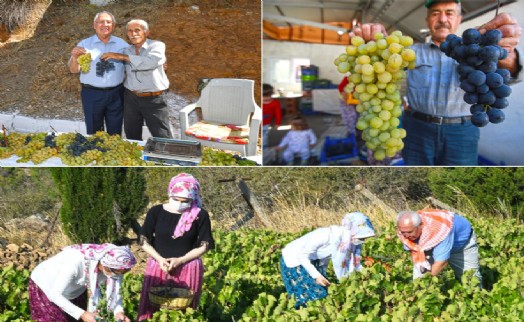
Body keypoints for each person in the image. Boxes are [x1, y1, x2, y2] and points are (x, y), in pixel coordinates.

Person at [352, 0, 523, 165]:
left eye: (449, 13)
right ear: (427, 20)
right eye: (435, 13)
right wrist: (379, 41)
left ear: (459, 19)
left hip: (462, 132)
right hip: (416, 129)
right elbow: (386, 64)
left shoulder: (476, 52)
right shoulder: (409, 52)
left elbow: (512, 76)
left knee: (457, 182)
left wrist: (508, 57)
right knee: (416, 178)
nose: (442, 19)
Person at [138, 173, 214, 321]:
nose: (179, 203)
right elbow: (143, 240)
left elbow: (205, 244)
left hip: (188, 267)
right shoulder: (156, 212)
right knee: (153, 308)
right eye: (176, 199)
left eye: (185, 201)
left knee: (183, 309)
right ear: (169, 194)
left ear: (192, 198)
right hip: (159, 266)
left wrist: (181, 260)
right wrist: (160, 259)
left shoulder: (200, 215)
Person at [280, 212, 375, 308]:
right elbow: (302, 255)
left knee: (322, 290)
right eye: (362, 237)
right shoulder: (324, 235)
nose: (362, 241)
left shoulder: (345, 242)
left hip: (313, 260)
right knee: (312, 295)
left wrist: (322, 274)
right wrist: (317, 275)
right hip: (295, 259)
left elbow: (327, 258)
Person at [100, 19, 172, 141]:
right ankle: (136, 158)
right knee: (131, 134)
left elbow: (151, 62)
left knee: (162, 135)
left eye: (137, 30)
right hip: (131, 98)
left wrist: (123, 57)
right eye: (130, 31)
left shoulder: (156, 46)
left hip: (154, 99)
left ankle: (166, 159)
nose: (133, 34)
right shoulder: (127, 50)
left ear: (146, 32)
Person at [29, 243, 136, 322]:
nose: (119, 275)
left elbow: (115, 292)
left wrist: (119, 312)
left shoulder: (118, 268)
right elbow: (54, 294)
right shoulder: (75, 262)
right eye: (118, 272)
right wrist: (82, 313)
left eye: (124, 272)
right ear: (104, 265)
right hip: (47, 286)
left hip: (76, 289)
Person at [68, 11, 128, 136]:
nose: (105, 24)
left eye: (108, 22)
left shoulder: (122, 44)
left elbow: (134, 62)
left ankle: (112, 154)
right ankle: (95, 154)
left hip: (116, 94)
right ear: (94, 25)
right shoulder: (84, 44)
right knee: (94, 131)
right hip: (92, 94)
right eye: (101, 22)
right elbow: (73, 70)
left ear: (114, 25)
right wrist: (74, 58)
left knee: (115, 131)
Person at [396, 209, 482, 284]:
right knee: (419, 277)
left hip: (461, 245)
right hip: (429, 245)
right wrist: (419, 280)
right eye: (403, 232)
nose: (406, 235)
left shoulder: (440, 231)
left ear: (421, 226)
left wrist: (426, 281)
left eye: (410, 232)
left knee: (470, 279)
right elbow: (415, 253)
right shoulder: (406, 230)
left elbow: (441, 262)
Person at [262, 83, 282, 148]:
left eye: (269, 96)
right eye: (264, 96)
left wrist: (277, 123)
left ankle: (264, 148)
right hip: (256, 123)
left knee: (264, 137)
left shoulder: (275, 103)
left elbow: (278, 114)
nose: (267, 98)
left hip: (266, 124)